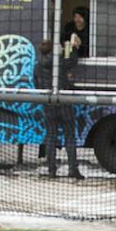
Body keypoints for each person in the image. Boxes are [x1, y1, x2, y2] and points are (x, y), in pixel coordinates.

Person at [33, 39, 83, 179]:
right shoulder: (59, 63)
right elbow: (72, 61)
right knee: (70, 137)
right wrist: (73, 47)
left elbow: (36, 85)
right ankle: (73, 169)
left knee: (50, 136)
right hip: (64, 103)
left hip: (48, 104)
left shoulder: (37, 67)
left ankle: (51, 170)